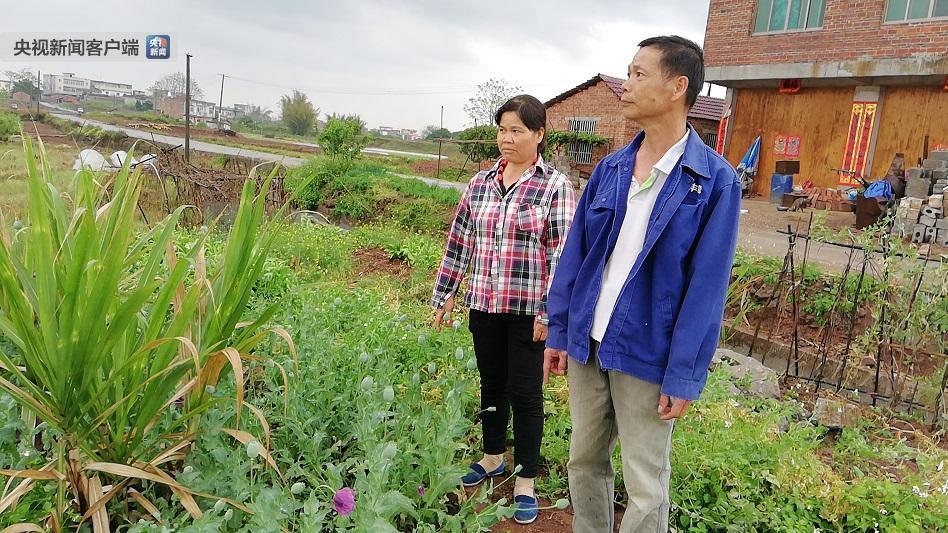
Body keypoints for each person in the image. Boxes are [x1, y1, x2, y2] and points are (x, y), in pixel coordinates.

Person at [543, 36, 742, 532]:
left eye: (637, 74)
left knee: (646, 482)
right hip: (590, 341)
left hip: (649, 353)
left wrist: (683, 374)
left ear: (677, 86)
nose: (625, 86)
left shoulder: (714, 182)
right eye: (627, 73)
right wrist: (559, 329)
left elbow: (707, 288)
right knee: (584, 461)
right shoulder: (610, 169)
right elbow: (576, 258)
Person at [431, 94, 577, 525]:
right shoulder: (480, 184)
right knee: (491, 384)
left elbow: (562, 256)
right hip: (485, 305)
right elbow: (460, 242)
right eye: (502, 129)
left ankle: (526, 479)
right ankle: (493, 456)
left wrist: (550, 314)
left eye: (517, 130)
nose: (506, 138)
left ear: (539, 135)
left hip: (528, 312)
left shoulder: (554, 188)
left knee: (526, 394)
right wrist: (445, 294)